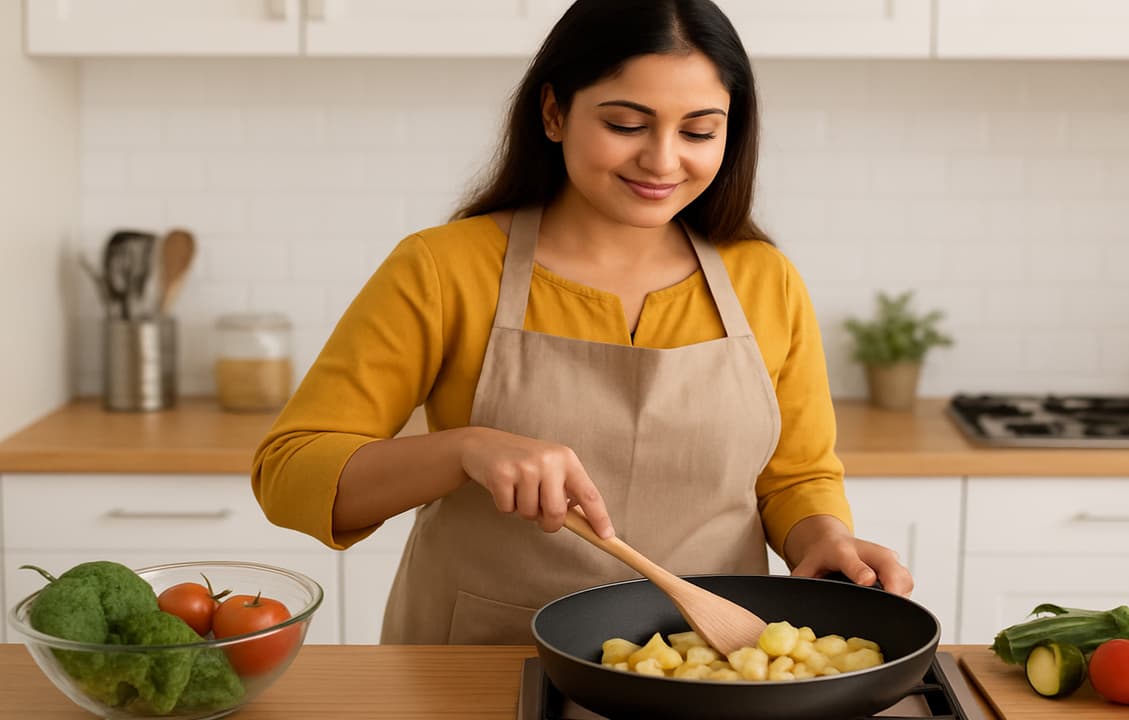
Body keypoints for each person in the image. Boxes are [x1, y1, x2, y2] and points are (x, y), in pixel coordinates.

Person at [252, 0, 913, 646]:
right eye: (627, 123)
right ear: (554, 112)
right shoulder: (443, 267)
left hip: (710, 660)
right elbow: (291, 472)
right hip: (481, 658)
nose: (662, 160)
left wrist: (824, 537)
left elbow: (796, 476)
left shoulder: (763, 278)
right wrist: (464, 450)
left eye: (699, 131)